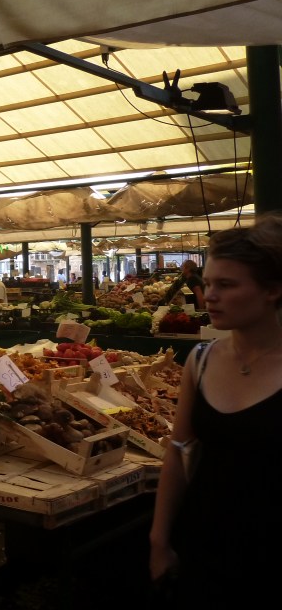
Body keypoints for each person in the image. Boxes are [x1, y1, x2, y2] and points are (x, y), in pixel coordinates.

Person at [149, 215, 282, 608]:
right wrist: (159, 539)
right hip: (202, 542)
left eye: (226, 285)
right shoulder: (201, 360)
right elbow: (177, 448)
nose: (209, 297)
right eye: (207, 284)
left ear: (273, 290)